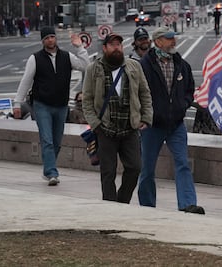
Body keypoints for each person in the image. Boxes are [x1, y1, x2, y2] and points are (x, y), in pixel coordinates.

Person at [138, 27, 203, 214]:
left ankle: (187, 203)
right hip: (152, 125)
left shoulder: (181, 65)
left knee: (183, 163)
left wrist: (184, 104)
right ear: (158, 41)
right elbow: (138, 92)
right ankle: (147, 206)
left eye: (173, 38)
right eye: (168, 38)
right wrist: (145, 115)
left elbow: (190, 89)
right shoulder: (145, 65)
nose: (173, 41)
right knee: (148, 168)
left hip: (176, 124)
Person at [14, 26, 90, 186]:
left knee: (56, 141)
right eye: (47, 38)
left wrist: (79, 47)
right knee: (47, 139)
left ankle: (48, 168)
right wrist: (17, 103)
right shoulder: (35, 59)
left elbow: (85, 66)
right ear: (43, 41)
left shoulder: (66, 56)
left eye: (52, 37)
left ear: (56, 39)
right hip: (42, 105)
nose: (50, 40)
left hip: (61, 105)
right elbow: (26, 81)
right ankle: (52, 172)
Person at [82, 33, 152, 203]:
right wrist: (96, 124)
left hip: (130, 127)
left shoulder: (134, 66)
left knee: (135, 168)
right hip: (105, 128)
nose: (116, 48)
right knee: (108, 173)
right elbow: (87, 100)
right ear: (105, 48)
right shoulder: (94, 69)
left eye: (119, 45)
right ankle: (109, 207)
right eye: (112, 45)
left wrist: (146, 117)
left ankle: (122, 202)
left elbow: (144, 93)